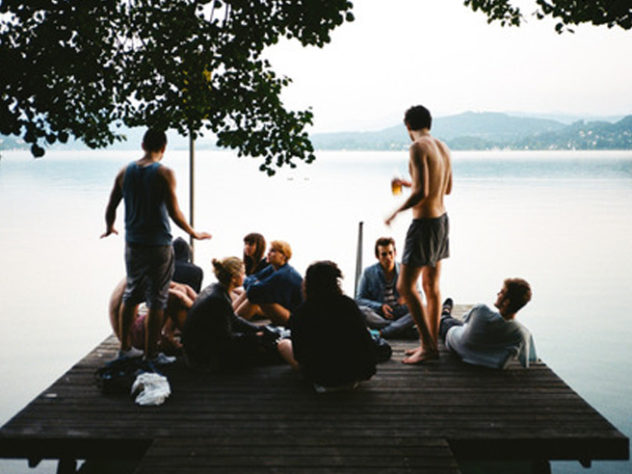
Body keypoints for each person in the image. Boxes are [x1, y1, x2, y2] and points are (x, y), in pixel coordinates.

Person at [101, 128, 212, 363]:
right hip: (158, 245)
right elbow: (174, 212)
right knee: (157, 300)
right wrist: (193, 232)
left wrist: (110, 226)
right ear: (163, 148)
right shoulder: (164, 173)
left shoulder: (125, 172)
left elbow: (111, 205)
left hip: (132, 244)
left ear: (143, 145)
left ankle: (125, 348)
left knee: (131, 295)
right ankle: (151, 354)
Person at [385, 105, 452, 364]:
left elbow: (422, 193)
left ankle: (427, 347)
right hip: (441, 221)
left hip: (423, 224)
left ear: (407, 126)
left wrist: (395, 211)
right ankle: (431, 343)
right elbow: (446, 188)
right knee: (431, 286)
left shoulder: (416, 148)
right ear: (429, 123)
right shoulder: (442, 147)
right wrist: (407, 184)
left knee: (405, 286)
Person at [278, 261, 377, 392]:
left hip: (321, 378)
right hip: (354, 375)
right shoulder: (349, 305)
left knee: (283, 344)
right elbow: (365, 343)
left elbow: (299, 354)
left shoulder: (302, 311)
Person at [182, 257, 283, 371]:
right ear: (234, 278)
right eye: (243, 274)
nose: (245, 277)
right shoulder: (219, 299)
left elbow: (233, 319)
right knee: (262, 350)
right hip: (202, 359)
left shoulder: (215, 288)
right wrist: (255, 337)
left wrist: (259, 328)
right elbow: (226, 340)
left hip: (194, 351)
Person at [440, 278, 538, 369]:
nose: (498, 294)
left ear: (506, 302)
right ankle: (446, 311)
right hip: (493, 363)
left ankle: (445, 311)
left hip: (459, 346)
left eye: (502, 292)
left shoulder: (481, 310)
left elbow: (465, 319)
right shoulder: (522, 333)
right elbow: (527, 360)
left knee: (446, 321)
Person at [108, 278, 197, 356]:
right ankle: (191, 335)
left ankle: (169, 334)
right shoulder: (146, 277)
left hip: (133, 326)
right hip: (132, 337)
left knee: (181, 289)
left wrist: (197, 303)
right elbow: (177, 297)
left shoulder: (141, 272)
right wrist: (193, 307)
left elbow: (183, 288)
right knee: (172, 299)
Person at [356, 237, 419, 339]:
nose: (388, 257)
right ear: (377, 256)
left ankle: (383, 332)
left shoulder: (406, 271)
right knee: (361, 311)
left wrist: (408, 298)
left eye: (390, 253)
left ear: (395, 253)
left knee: (420, 310)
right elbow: (359, 300)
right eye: (384, 254)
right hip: (380, 315)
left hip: (401, 312)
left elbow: (419, 295)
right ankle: (401, 330)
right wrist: (380, 306)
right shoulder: (368, 273)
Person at [232, 240, 303, 325]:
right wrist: (254, 283)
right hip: (283, 307)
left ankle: (233, 323)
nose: (268, 253)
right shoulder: (273, 268)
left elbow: (253, 291)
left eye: (273, 251)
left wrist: (254, 284)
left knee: (257, 296)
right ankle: (230, 316)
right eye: (269, 250)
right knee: (253, 292)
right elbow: (250, 278)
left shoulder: (284, 274)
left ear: (283, 256)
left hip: (294, 319)